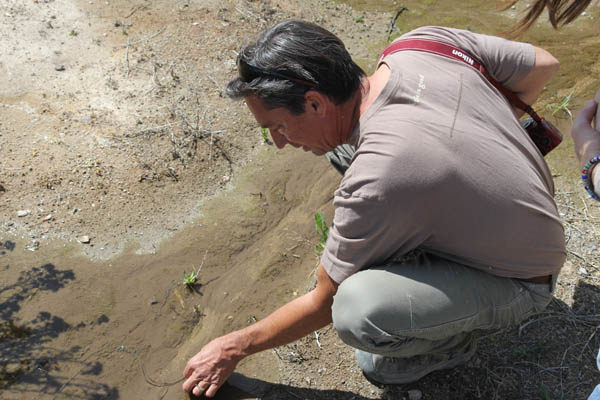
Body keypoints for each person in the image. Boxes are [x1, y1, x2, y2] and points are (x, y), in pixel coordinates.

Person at [181, 20, 566, 398]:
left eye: (278, 127)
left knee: (360, 316)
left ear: (315, 102)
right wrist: (479, 139)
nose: (280, 142)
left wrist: (235, 346)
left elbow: (323, 301)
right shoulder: (420, 44)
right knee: (346, 151)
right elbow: (543, 64)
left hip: (525, 279)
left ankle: (454, 344)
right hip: (532, 218)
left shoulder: (376, 178)